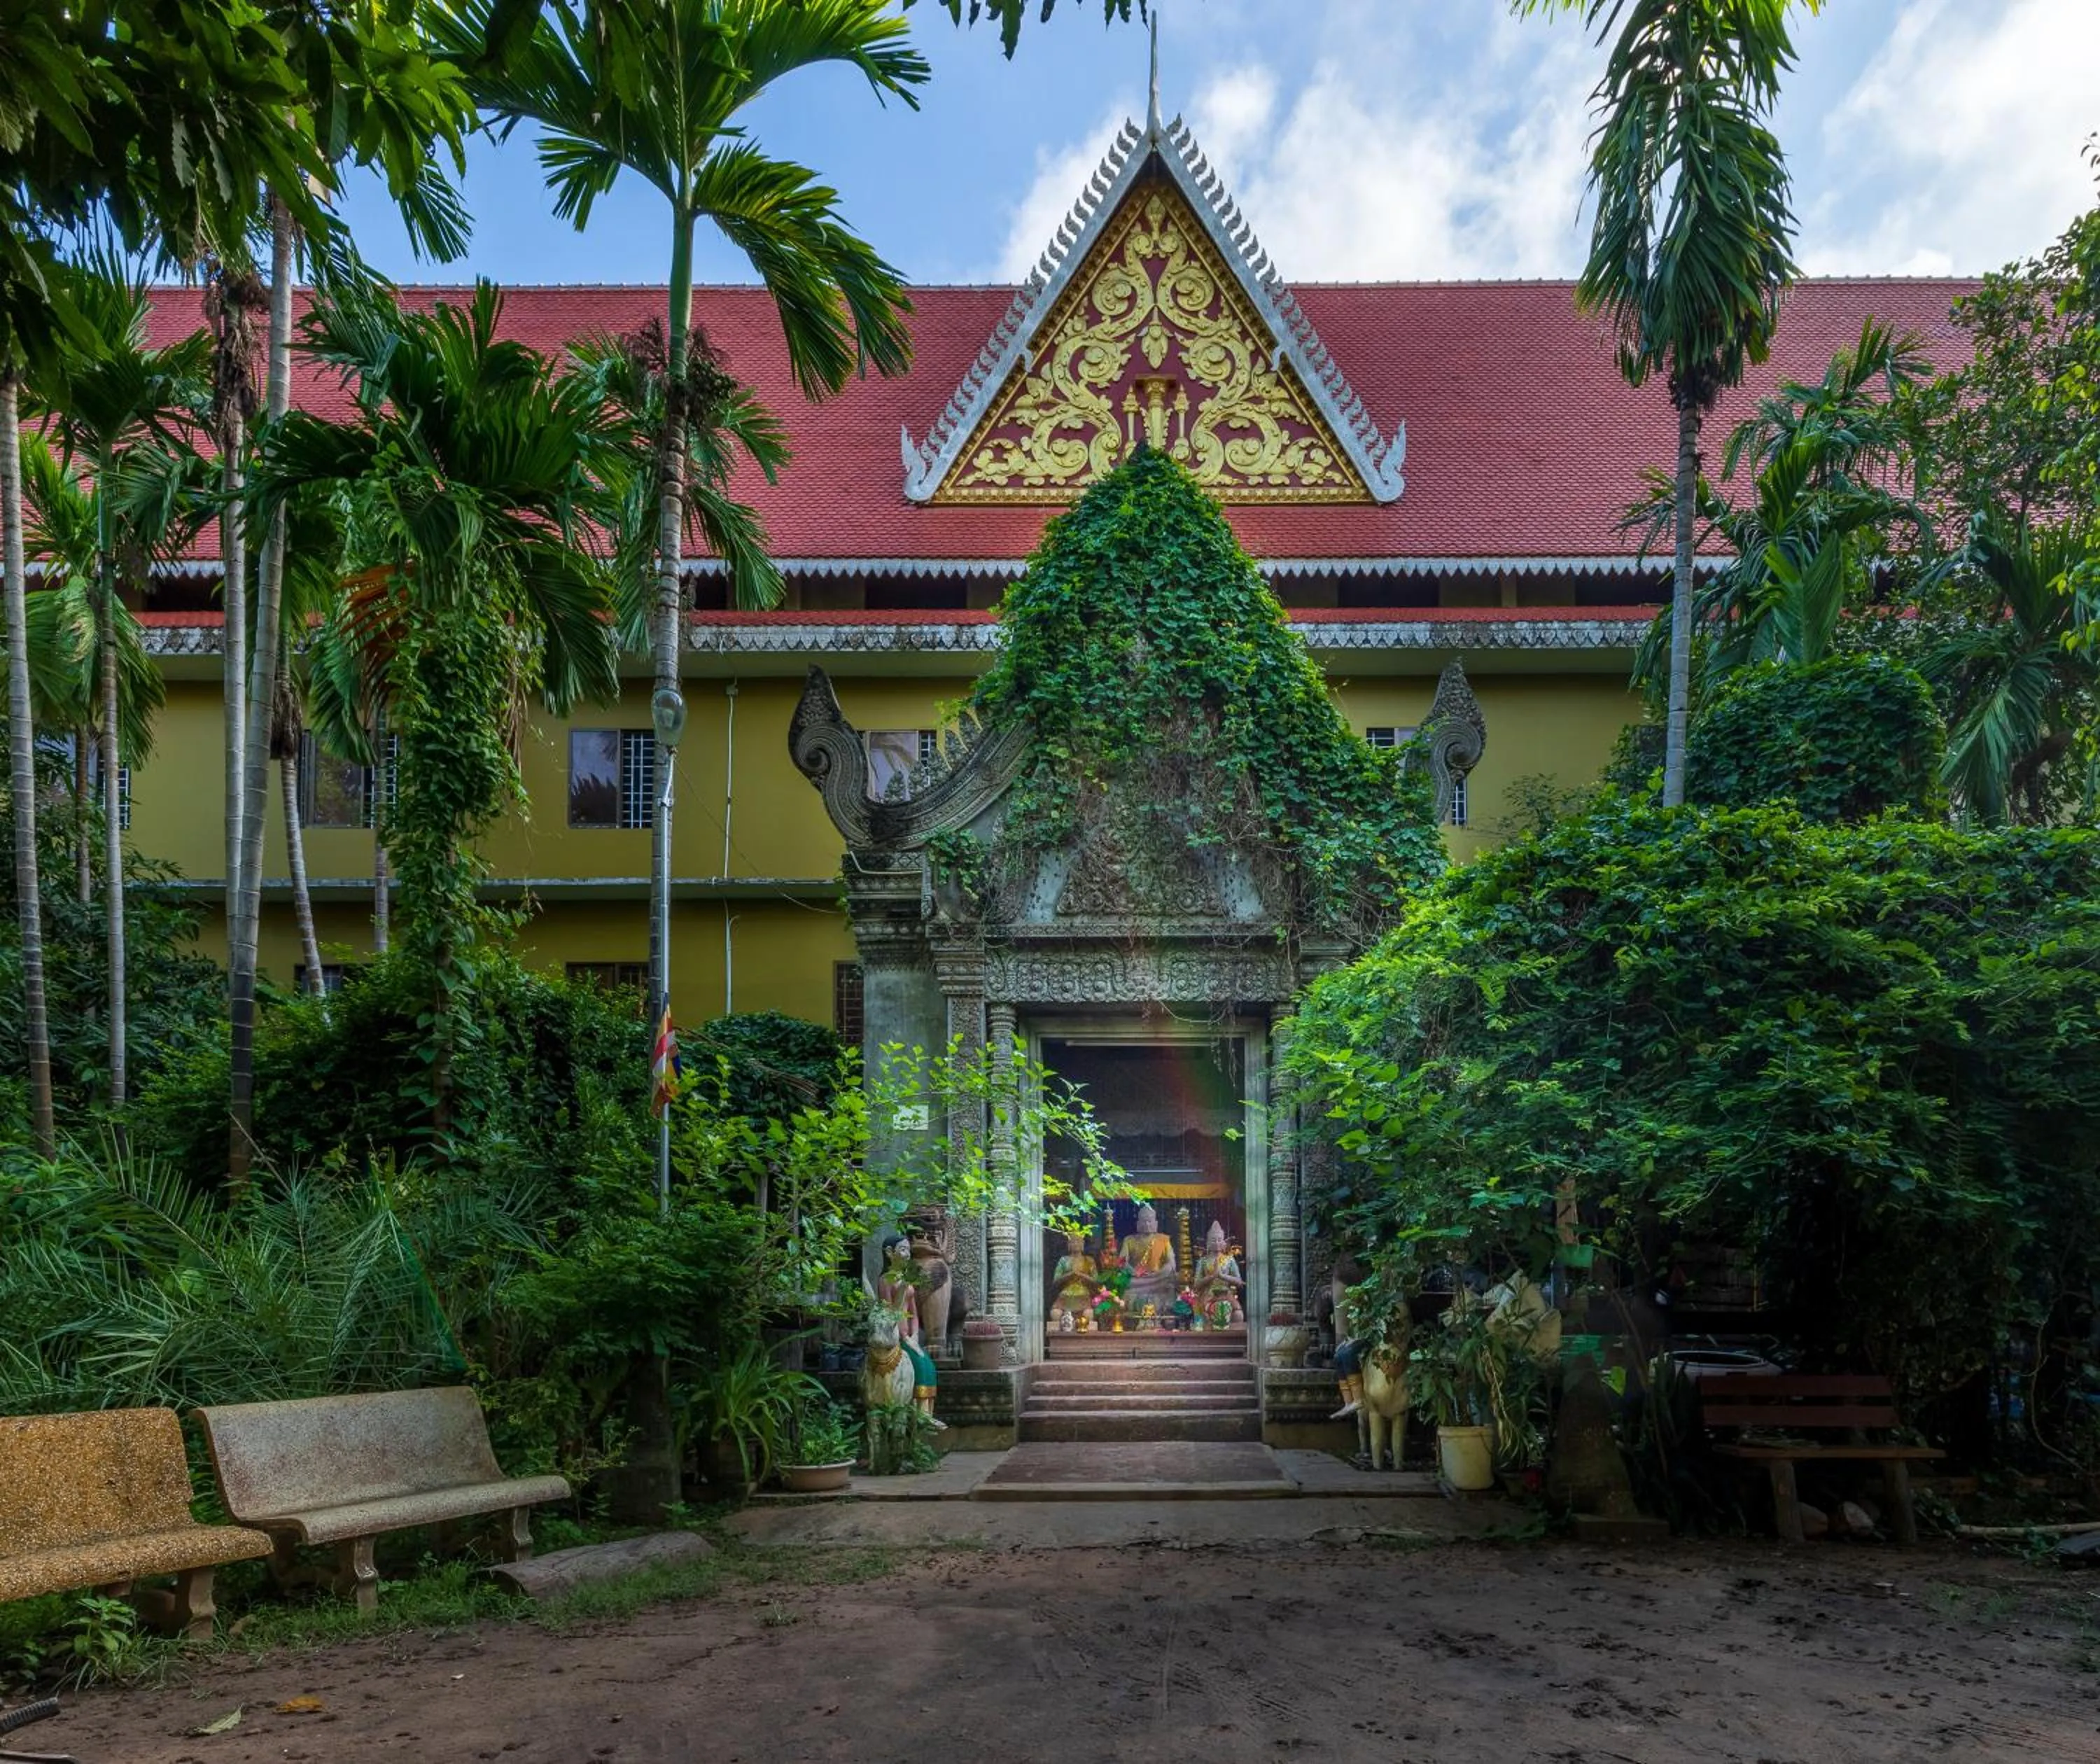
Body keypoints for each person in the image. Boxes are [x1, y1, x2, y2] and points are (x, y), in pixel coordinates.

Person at [876, 1232, 946, 1430]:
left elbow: (913, 1312)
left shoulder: (906, 1279)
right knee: (921, 1364)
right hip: (894, 1337)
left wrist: (915, 1334)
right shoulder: (886, 1280)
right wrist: (905, 1337)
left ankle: (926, 1414)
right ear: (890, 1253)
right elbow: (890, 1312)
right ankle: (919, 1415)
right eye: (903, 1250)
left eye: (908, 1250)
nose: (907, 1254)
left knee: (928, 1365)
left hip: (910, 1337)